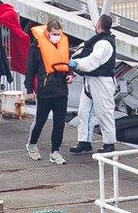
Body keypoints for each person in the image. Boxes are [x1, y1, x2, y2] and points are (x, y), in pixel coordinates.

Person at [25, 20, 73, 165]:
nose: (57, 37)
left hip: (61, 90)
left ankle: (55, 151)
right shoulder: (36, 48)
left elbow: (66, 64)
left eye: (59, 34)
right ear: (47, 33)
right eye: (54, 34)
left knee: (59, 123)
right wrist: (29, 90)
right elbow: (30, 70)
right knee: (40, 120)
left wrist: (70, 74)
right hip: (45, 90)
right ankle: (32, 144)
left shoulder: (63, 45)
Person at [69, 14, 118, 155]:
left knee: (104, 112)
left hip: (101, 81)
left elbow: (92, 61)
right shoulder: (100, 41)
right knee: (84, 112)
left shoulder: (104, 43)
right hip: (91, 80)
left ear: (98, 25)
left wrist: (76, 63)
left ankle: (109, 143)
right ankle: (84, 141)